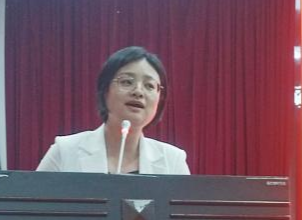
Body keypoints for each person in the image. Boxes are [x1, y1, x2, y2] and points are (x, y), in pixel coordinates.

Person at [37, 46, 190, 175]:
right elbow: (33, 202)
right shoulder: (65, 151)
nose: (138, 91)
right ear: (105, 91)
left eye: (149, 86)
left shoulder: (172, 161)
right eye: (127, 82)